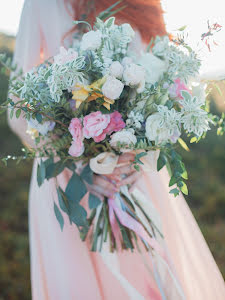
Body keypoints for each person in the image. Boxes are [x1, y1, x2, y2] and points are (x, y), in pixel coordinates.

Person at [8, 0, 225, 299]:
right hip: (68, 180)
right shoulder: (41, 5)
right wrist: (81, 166)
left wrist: (138, 150)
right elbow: (18, 111)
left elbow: (163, 83)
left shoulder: (145, 5)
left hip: (134, 176)